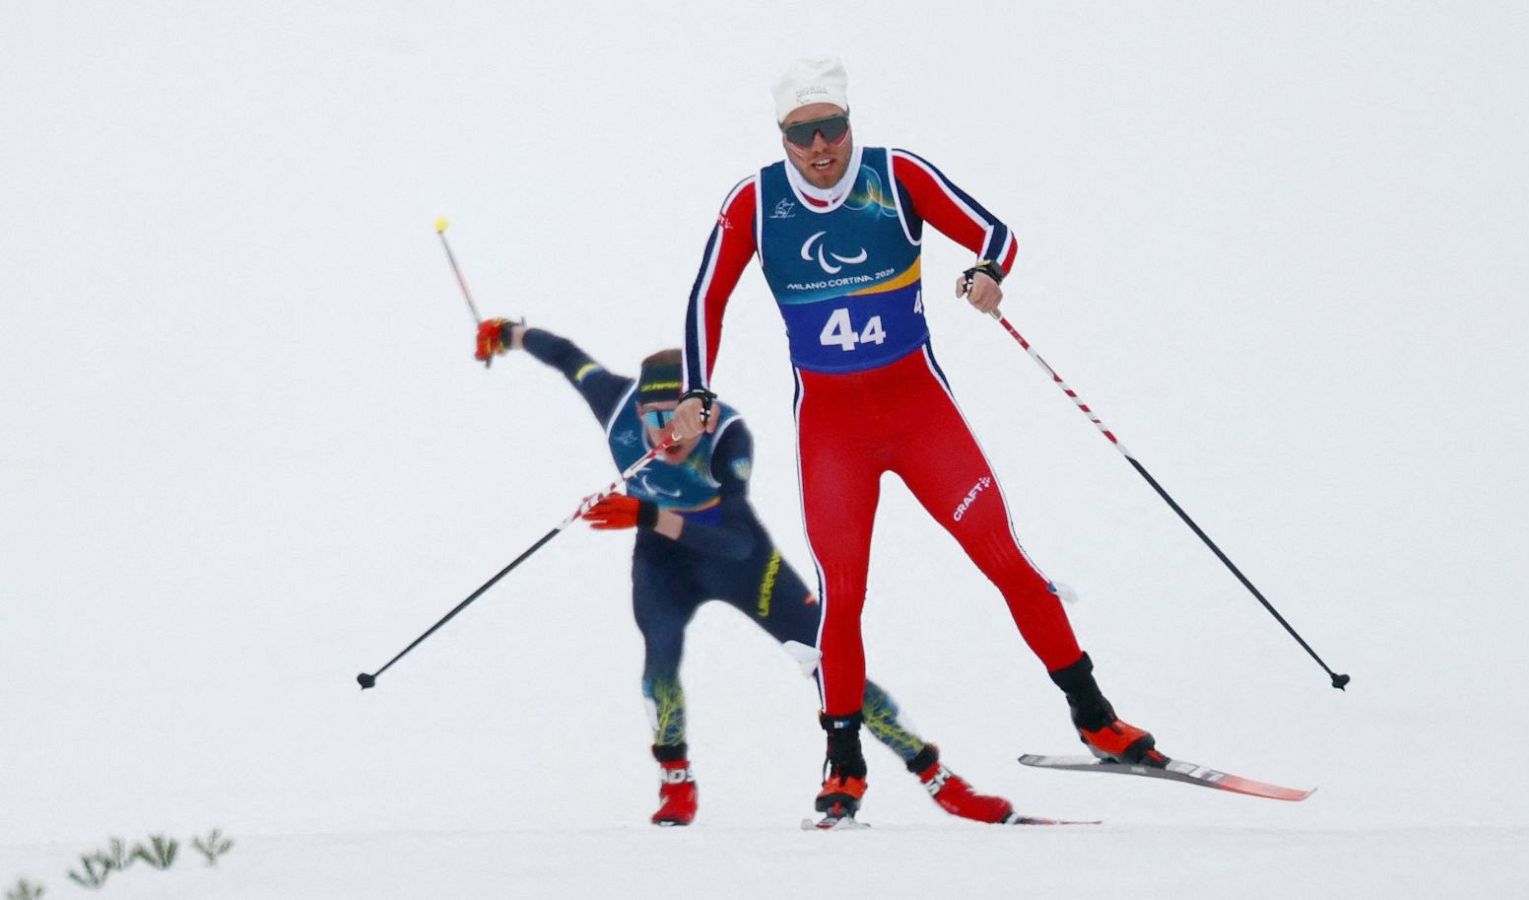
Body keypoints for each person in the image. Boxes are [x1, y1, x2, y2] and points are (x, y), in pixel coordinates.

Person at [665, 56, 1167, 823]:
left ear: (849, 124)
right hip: (833, 431)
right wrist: (697, 391)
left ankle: (1095, 716)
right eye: (802, 134)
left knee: (1006, 557)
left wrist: (987, 273)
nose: (820, 146)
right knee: (843, 598)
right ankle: (844, 765)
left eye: (831, 127)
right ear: (783, 137)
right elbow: (709, 295)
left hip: (918, 415)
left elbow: (994, 233)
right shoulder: (756, 201)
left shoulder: (896, 176)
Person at [475, 319, 1022, 825]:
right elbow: (569, 357)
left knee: (824, 659)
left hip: (735, 559)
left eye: (683, 418)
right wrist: (511, 332)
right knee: (659, 654)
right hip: (664, 560)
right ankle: (675, 779)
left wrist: (647, 514)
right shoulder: (614, 402)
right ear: (638, 409)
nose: (669, 434)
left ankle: (934, 775)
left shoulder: (729, 436)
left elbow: (735, 542)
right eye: (656, 419)